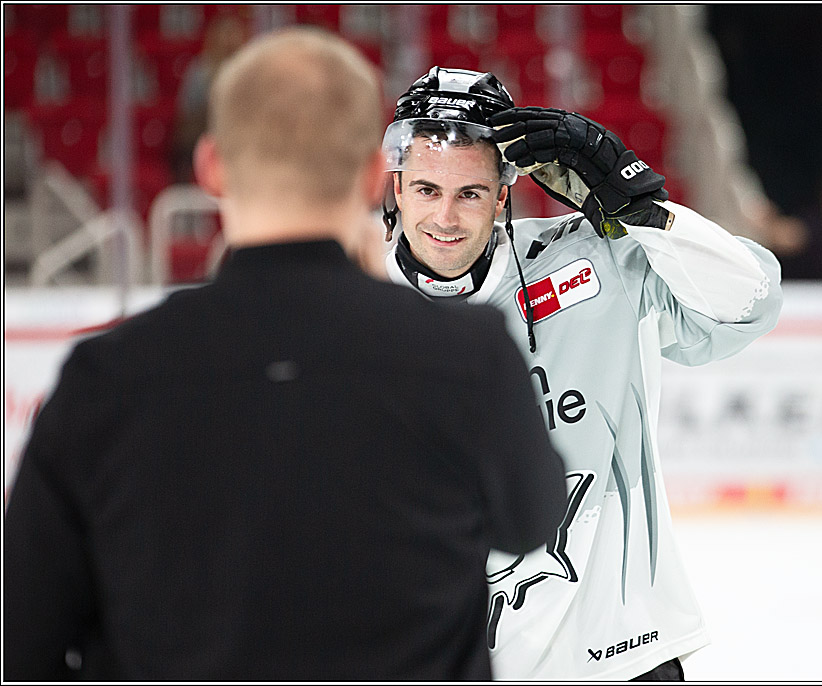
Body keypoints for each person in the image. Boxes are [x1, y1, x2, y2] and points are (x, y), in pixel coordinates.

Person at [3, 31, 566, 681]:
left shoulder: (106, 378)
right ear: (369, 175)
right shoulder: (466, 356)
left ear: (211, 166)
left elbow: (22, 645)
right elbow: (533, 520)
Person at [379, 67, 784, 681]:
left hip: (621, 653)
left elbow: (750, 302)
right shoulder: (354, 309)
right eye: (428, 190)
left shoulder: (592, 258)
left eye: (470, 193)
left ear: (503, 195)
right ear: (398, 187)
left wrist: (646, 211)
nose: (447, 217)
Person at [170, 14, 248, 183]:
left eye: (232, 35)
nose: (228, 41)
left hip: (240, 133)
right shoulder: (200, 71)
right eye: (224, 35)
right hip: (203, 132)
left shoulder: (249, 71)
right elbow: (186, 113)